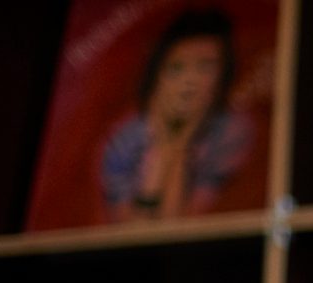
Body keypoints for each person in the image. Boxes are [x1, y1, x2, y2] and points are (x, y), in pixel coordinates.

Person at [101, 8, 255, 223]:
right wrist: (165, 145)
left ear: (224, 74)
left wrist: (180, 144)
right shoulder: (125, 139)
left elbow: (178, 225)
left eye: (205, 67)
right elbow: (133, 231)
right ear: (157, 77)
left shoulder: (234, 132)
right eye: (176, 68)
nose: (189, 83)